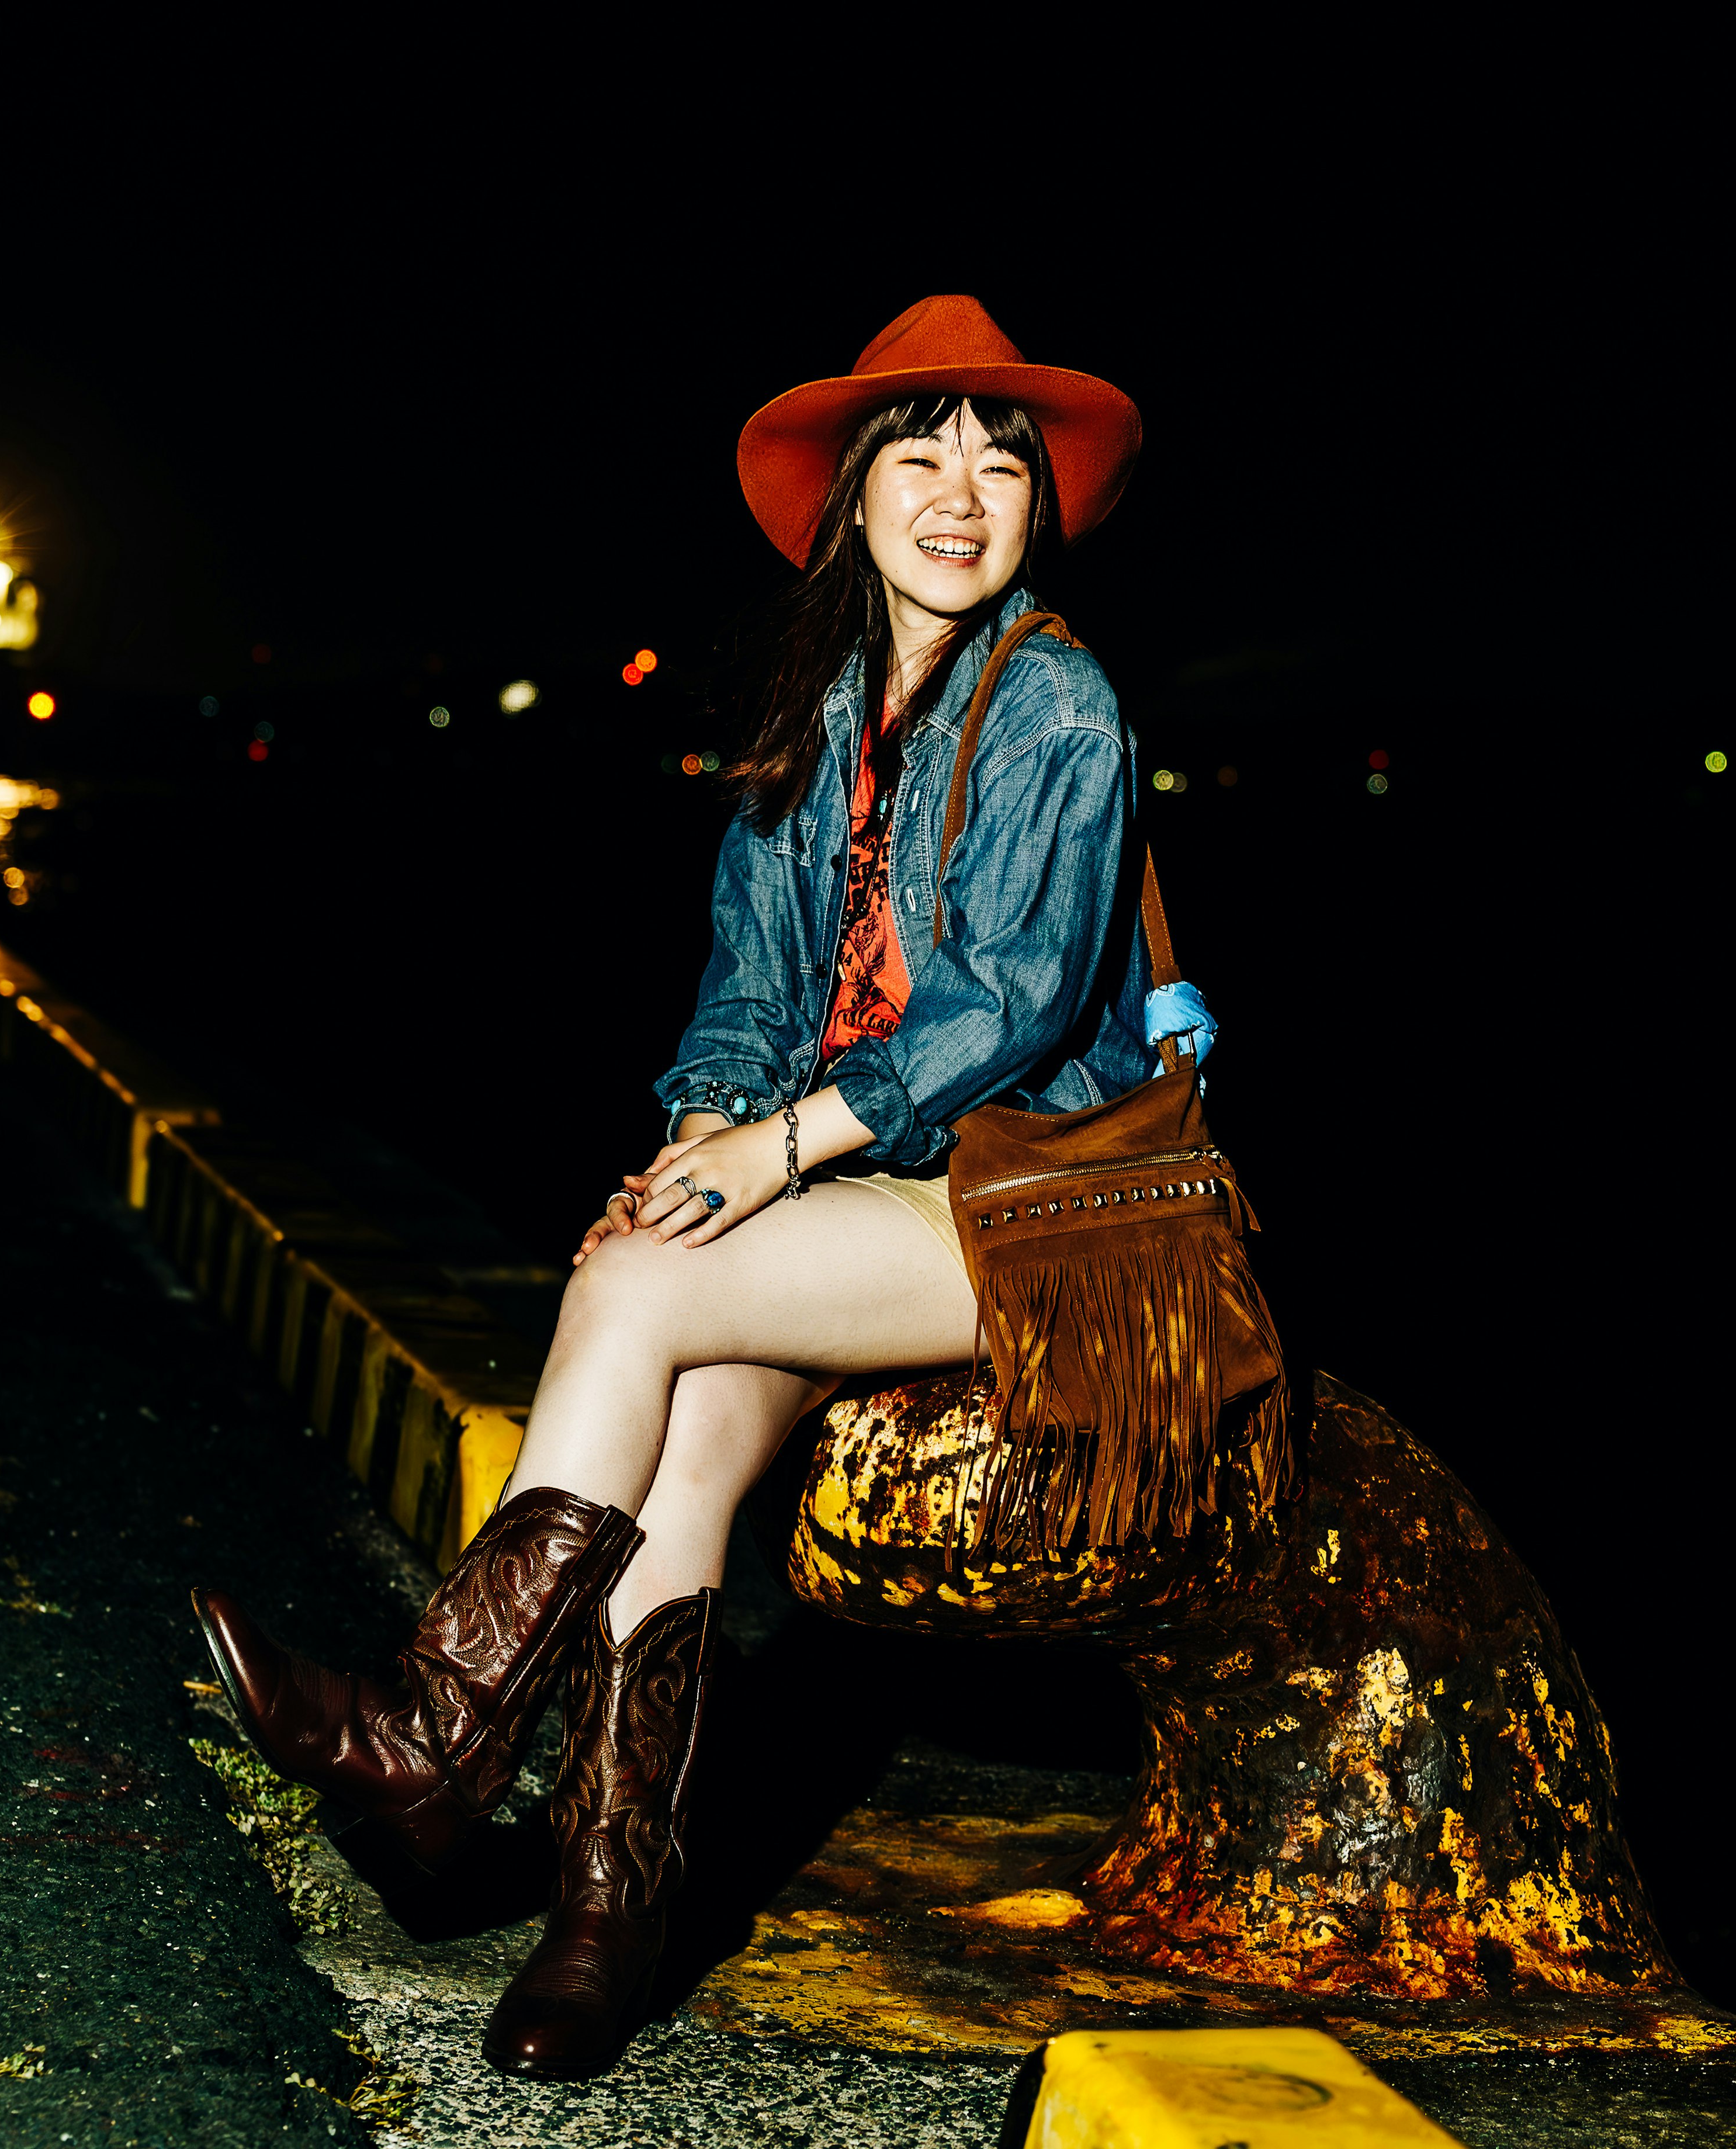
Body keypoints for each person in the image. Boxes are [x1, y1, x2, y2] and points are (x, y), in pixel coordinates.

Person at [193, 295, 1150, 2081]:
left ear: (1038, 506)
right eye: (921, 454)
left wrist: (770, 1154)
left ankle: (428, 1734)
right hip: (858, 1205)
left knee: (633, 1291)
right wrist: (696, 1147)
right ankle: (605, 1915)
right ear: (851, 499)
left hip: (1025, 1211)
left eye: (998, 459)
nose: (962, 491)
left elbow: (1008, 1007)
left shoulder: (1062, 706)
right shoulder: (830, 709)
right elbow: (748, 1000)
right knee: (692, 1418)